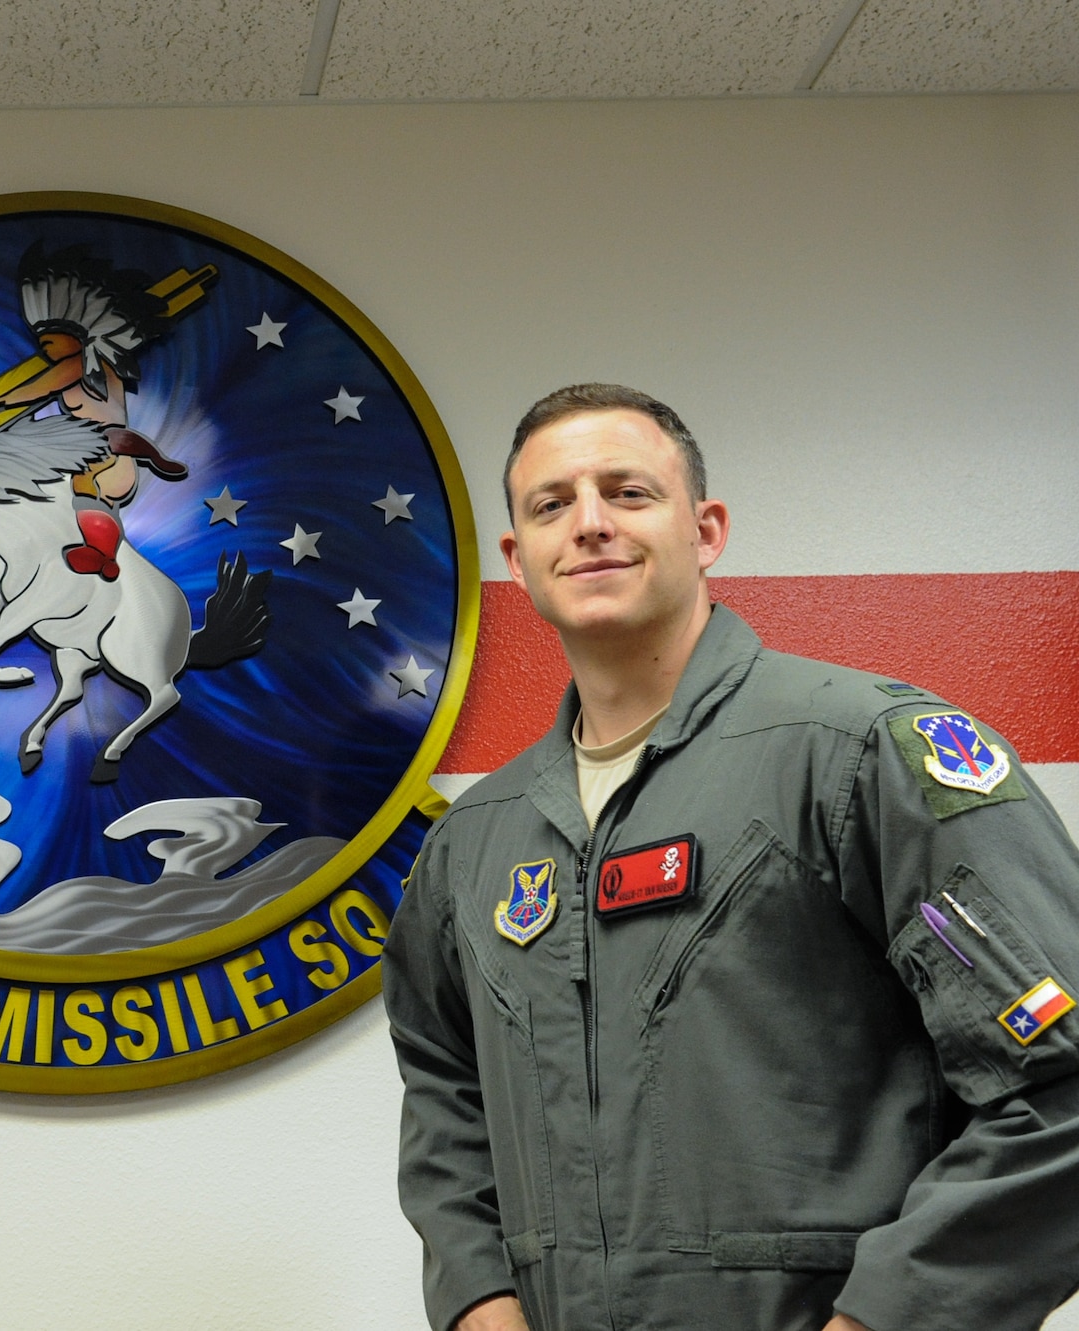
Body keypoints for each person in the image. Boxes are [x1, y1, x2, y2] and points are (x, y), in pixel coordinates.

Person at [384, 383, 1079, 1331]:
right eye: (552, 503)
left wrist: (889, 1318)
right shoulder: (477, 838)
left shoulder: (862, 754)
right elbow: (445, 1092)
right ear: (519, 559)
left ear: (706, 530)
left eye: (628, 493)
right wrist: (478, 1301)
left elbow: (1063, 1091)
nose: (589, 523)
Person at [0, 242, 190, 581]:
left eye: (49, 341)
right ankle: (96, 550)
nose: (44, 348)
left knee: (84, 484)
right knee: (81, 488)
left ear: (76, 336)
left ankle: (100, 552)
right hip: (103, 444)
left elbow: (43, 387)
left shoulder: (80, 364)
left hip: (104, 443)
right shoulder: (89, 364)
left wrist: (0, 401)